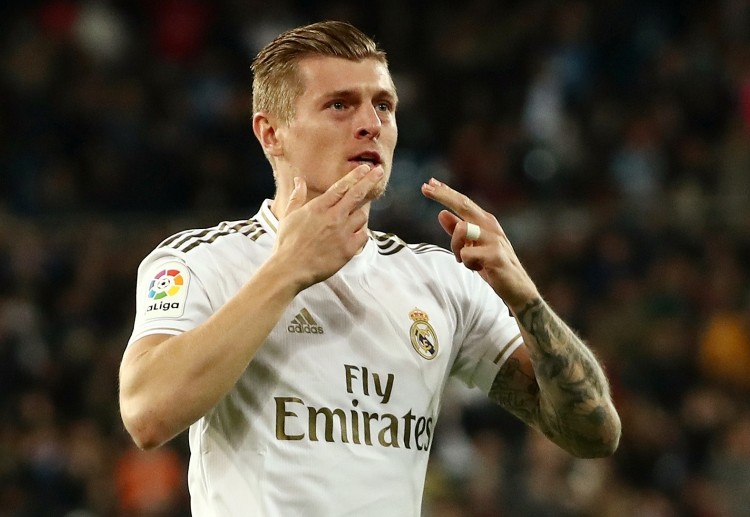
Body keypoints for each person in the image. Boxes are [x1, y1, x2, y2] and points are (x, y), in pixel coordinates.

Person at [118, 20, 621, 516]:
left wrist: (526, 300)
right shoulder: (204, 262)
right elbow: (147, 415)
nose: (371, 124)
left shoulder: (439, 281)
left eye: (383, 105)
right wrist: (287, 272)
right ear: (271, 133)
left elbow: (594, 433)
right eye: (340, 105)